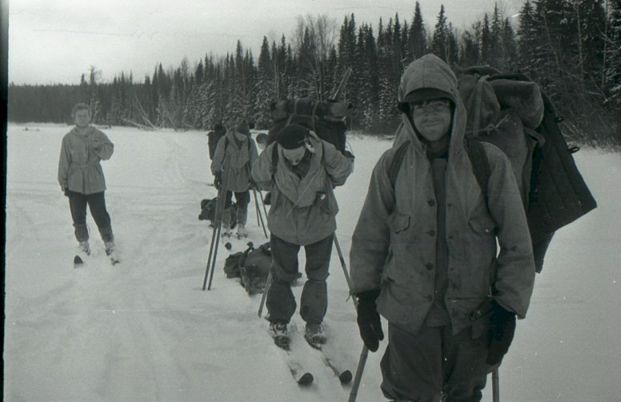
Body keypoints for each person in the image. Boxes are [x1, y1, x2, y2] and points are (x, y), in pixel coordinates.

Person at [349, 54, 536, 402]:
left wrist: (508, 308)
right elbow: (370, 237)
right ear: (408, 114)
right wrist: (366, 297)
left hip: (470, 319)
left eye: (437, 104)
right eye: (419, 106)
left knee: (463, 396)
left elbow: (516, 242)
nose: (429, 114)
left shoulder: (488, 162)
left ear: (454, 107)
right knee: (408, 396)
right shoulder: (392, 165)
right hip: (409, 318)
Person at [251, 124, 353, 347]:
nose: (294, 161)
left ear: (307, 145)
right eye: (289, 157)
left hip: (319, 224)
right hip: (284, 225)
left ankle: (314, 322)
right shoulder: (273, 152)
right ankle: (279, 320)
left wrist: (332, 159)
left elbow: (343, 172)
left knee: (317, 275)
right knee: (281, 274)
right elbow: (259, 176)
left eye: (298, 157)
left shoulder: (323, 150)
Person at [58, 102, 116, 257]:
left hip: (95, 181)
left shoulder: (98, 134)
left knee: (100, 213)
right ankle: (83, 244)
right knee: (77, 215)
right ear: (74, 117)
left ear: (90, 116)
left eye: (85, 115)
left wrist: (99, 148)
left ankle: (109, 243)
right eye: (79, 116)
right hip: (74, 182)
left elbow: (108, 153)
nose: (82, 118)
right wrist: (64, 183)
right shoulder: (68, 138)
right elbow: (64, 162)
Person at [211, 122, 258, 238]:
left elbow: (254, 159)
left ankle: (241, 225)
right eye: (241, 135)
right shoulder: (225, 140)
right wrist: (217, 173)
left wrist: (255, 176)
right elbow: (218, 157)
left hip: (243, 175)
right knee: (225, 201)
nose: (243, 137)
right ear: (236, 132)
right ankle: (226, 224)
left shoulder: (250, 143)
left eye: (245, 135)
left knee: (243, 201)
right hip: (227, 174)